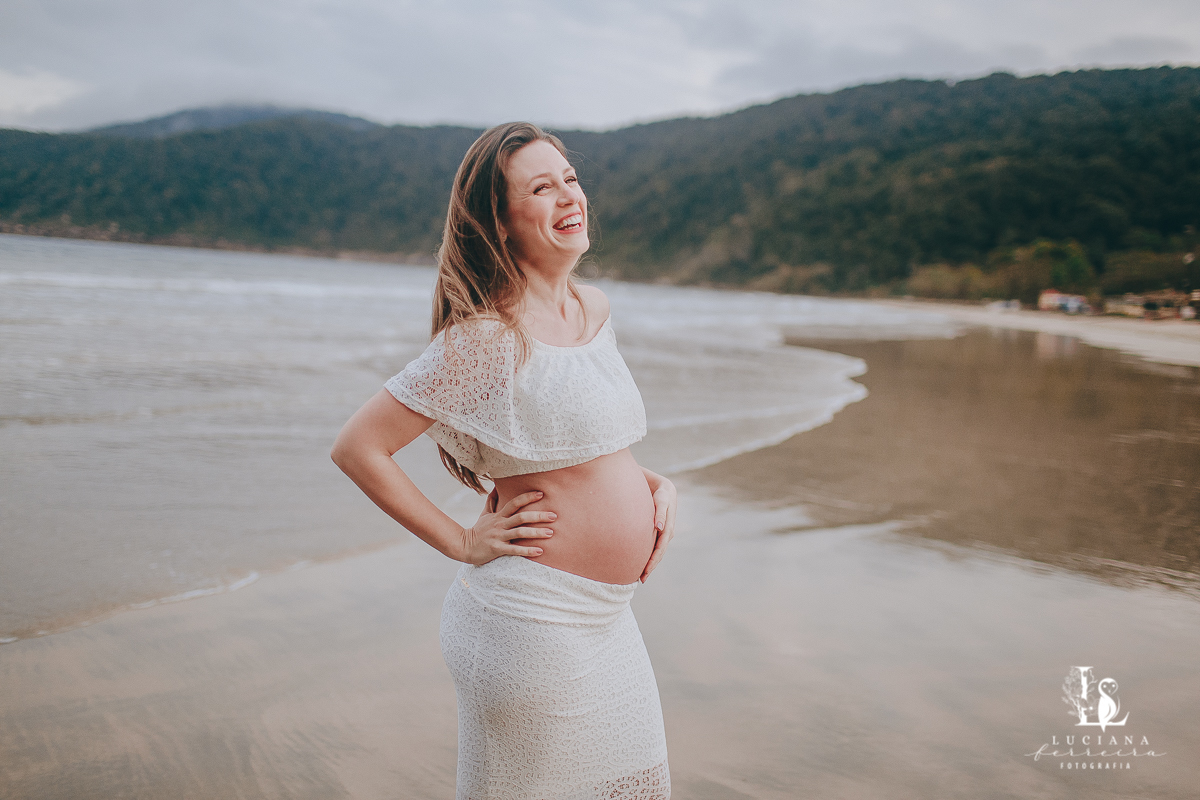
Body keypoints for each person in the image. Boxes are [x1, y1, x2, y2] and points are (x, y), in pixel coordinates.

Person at [331, 122, 677, 799]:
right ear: (500, 222)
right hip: (531, 623)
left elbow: (574, 441)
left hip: (608, 617)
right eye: (541, 188)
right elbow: (358, 447)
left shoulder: (594, 308)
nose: (569, 197)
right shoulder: (488, 337)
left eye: (569, 179)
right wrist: (462, 540)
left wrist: (651, 485)